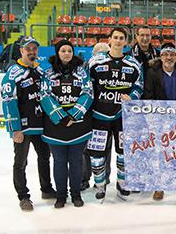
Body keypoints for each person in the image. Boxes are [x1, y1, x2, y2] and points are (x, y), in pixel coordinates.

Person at [1, 36, 56, 211]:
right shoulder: (13, 73)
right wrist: (15, 129)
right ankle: (23, 196)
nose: (31, 52)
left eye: (34, 49)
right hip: (23, 128)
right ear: (21, 51)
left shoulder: (42, 71)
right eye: (28, 49)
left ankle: (46, 189)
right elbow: (8, 102)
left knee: (44, 158)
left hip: (41, 126)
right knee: (20, 163)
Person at [88, 28, 144, 200]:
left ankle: (122, 184)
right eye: (115, 38)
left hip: (122, 117)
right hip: (99, 116)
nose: (118, 41)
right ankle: (100, 185)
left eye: (121, 38)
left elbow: (139, 86)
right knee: (97, 154)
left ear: (126, 42)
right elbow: (86, 87)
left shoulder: (133, 64)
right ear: (109, 40)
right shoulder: (95, 62)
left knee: (123, 153)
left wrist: (132, 96)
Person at [40, 39, 93, 208]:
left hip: (78, 125)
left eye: (69, 50)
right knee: (59, 162)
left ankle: (76, 194)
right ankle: (61, 196)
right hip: (55, 126)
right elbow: (44, 95)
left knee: (76, 162)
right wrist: (61, 116)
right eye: (63, 51)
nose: (66, 54)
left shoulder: (82, 72)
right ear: (57, 53)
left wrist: (73, 115)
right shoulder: (48, 73)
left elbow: (88, 93)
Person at [143, 42, 176, 201]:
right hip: (159, 121)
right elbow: (148, 97)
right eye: (166, 54)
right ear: (161, 56)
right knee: (159, 154)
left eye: (172, 54)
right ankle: (159, 186)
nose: (169, 57)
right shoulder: (152, 73)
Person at [81, 42, 112, 191]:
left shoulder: (86, 66)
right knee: (101, 147)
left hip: (98, 114)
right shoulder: (86, 67)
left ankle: (95, 177)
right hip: (94, 113)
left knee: (92, 148)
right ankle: (100, 177)